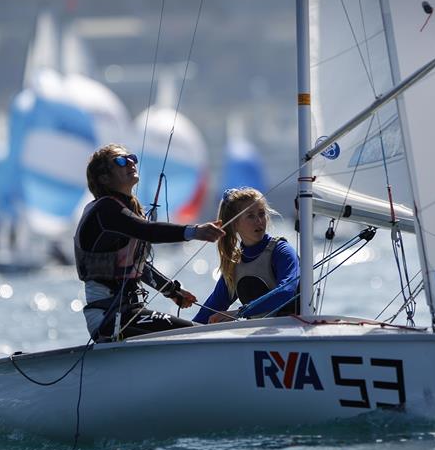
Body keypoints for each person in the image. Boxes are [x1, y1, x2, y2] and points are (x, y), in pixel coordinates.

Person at [75, 143, 224, 342]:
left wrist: (172, 291)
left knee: (196, 331)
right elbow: (148, 231)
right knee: (196, 333)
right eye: (120, 161)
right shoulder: (105, 210)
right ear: (104, 178)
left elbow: (137, 266)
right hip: (110, 319)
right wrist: (194, 231)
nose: (129, 162)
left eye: (132, 158)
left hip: (129, 313)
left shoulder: (125, 210)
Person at [193, 187, 299, 324]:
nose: (259, 221)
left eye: (261, 214)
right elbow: (213, 308)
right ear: (235, 224)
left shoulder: (282, 251)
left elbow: (286, 291)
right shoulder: (235, 264)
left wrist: (241, 312)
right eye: (250, 216)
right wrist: (181, 332)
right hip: (259, 339)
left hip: (294, 331)